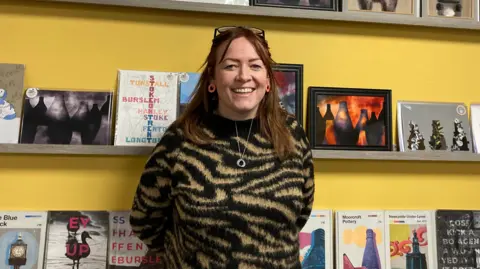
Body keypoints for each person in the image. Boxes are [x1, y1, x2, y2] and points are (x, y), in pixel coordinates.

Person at [129, 26, 315, 269]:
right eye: (230, 66)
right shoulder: (180, 139)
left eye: (255, 65)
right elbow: (146, 223)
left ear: (268, 80)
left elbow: (300, 214)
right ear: (212, 80)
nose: (243, 76)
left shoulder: (292, 134)